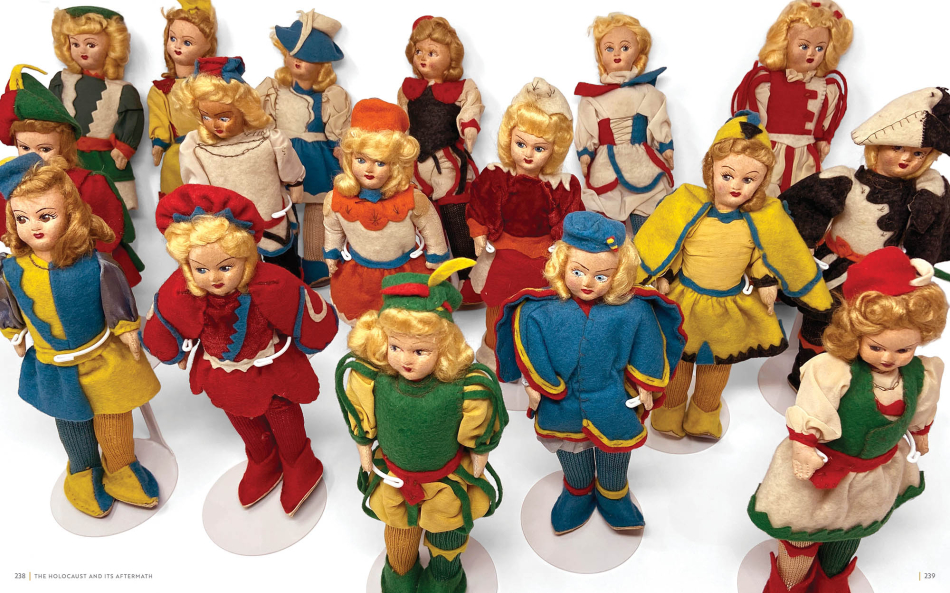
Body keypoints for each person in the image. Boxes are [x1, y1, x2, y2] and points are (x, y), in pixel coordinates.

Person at [748, 247, 946, 593]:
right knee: (801, 533)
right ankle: (789, 583)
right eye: (877, 347)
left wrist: (921, 434)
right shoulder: (834, 370)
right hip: (823, 468)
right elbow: (812, 408)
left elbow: (921, 409)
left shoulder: (921, 374)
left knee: (852, 528)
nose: (889, 358)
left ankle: (832, 579)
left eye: (904, 349)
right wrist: (804, 446)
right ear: (857, 334)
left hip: (873, 473)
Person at [141, 183, 339, 515]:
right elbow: (165, 317)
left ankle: (298, 460)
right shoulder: (181, 291)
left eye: (225, 267)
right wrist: (176, 350)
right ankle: (262, 457)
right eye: (201, 269)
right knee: (238, 412)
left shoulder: (272, 282)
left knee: (280, 410)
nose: (214, 278)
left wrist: (307, 340)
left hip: (269, 366)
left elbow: (304, 308)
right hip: (221, 370)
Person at [635, 111, 832, 439]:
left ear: (761, 182)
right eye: (727, 175)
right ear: (710, 170)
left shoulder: (760, 219)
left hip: (728, 306)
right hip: (685, 301)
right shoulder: (688, 205)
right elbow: (670, 243)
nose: (736, 186)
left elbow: (762, 255)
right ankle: (669, 409)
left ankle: (704, 413)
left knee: (717, 365)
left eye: (748, 179)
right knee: (678, 360)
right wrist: (663, 274)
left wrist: (766, 281)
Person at [495, 211, 686, 534]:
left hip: (611, 395)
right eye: (578, 272)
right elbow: (530, 349)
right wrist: (533, 384)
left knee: (616, 447)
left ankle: (614, 493)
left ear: (618, 274)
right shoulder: (538, 310)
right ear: (561, 265)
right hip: (562, 400)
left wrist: (646, 385)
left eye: (601, 276)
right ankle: (577, 489)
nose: (587, 283)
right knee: (570, 448)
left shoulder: (633, 309)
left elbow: (648, 344)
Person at [0, 154, 160, 517]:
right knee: (71, 420)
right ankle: (83, 470)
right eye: (22, 219)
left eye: (45, 216)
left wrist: (126, 329)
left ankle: (121, 466)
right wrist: (14, 331)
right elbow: (9, 304)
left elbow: (116, 299)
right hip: (54, 364)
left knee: (114, 413)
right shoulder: (12, 269)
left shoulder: (94, 264)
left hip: (103, 357)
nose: (33, 227)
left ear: (70, 213)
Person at [336, 258, 507, 592]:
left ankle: (445, 574)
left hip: (445, 481)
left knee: (448, 533)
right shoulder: (373, 379)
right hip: (396, 480)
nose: (405, 359)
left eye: (419, 351)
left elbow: (479, 434)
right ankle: (401, 570)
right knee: (399, 533)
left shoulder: (464, 388)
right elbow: (362, 421)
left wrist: (479, 457)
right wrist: (364, 451)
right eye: (395, 347)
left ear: (443, 347)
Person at [783, 86, 950, 389]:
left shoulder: (923, 192)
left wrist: (922, 260)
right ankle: (806, 380)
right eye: (896, 148)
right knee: (820, 323)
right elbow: (805, 208)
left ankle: (849, 386)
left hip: (881, 280)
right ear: (878, 146)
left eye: (918, 153)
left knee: (868, 329)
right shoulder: (844, 180)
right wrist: (805, 247)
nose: (906, 158)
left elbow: (929, 231)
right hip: (834, 271)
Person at [466, 77, 585, 367]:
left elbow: (572, 219)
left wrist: (564, 247)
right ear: (509, 138)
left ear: (555, 149)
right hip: (502, 254)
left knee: (538, 306)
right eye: (521, 143)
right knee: (496, 302)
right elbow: (478, 206)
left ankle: (532, 353)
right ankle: (495, 349)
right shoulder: (495, 176)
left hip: (542, 257)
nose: (528, 154)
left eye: (539, 148)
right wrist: (479, 234)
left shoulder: (563, 185)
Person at [0, 65, 143, 286]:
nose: (34, 156)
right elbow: (8, 229)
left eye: (45, 149)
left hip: (83, 269)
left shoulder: (89, 183)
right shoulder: (12, 183)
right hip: (37, 270)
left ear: (63, 146)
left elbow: (108, 230)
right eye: (24, 147)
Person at [175, 57, 306, 277]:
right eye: (206, 116)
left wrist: (296, 184)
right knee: (236, 268)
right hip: (228, 223)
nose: (214, 124)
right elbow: (199, 188)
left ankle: (290, 288)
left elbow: (288, 165)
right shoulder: (195, 146)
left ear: (243, 110)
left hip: (270, 213)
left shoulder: (268, 139)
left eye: (224, 117)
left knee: (283, 265)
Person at [323, 98, 449, 324]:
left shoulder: (413, 199)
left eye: (380, 163)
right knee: (363, 317)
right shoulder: (336, 198)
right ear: (349, 158)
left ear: (396, 165)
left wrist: (436, 256)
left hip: (405, 271)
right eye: (361, 160)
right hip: (359, 275)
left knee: (408, 318)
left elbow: (431, 227)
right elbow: (333, 228)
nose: (369, 169)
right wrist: (331, 253)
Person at [258, 9, 351, 287]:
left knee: (318, 211)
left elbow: (338, 131)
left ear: (321, 64)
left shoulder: (331, 96)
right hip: (282, 155)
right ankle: (284, 263)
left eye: (308, 57)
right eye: (293, 53)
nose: (298, 60)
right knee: (282, 209)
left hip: (317, 159)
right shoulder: (273, 91)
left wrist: (343, 151)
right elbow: (261, 124)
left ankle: (316, 263)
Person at [397, 16, 484, 303]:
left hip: (447, 161)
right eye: (419, 51)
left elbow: (470, 110)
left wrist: (469, 128)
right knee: (422, 215)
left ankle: (469, 276)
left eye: (432, 52)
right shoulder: (408, 90)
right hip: (416, 162)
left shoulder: (462, 88)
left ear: (450, 58)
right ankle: (433, 275)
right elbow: (401, 122)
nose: (423, 58)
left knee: (455, 213)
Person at [731, 0, 853, 195]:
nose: (812, 53)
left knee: (802, 194)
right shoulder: (764, 81)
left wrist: (824, 140)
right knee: (763, 192)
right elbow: (752, 119)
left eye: (820, 48)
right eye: (804, 46)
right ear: (785, 41)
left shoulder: (828, 87)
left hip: (805, 156)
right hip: (770, 150)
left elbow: (825, 122)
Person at [574, 12, 674, 234]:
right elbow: (586, 129)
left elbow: (658, 120)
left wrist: (666, 146)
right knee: (605, 218)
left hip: (642, 162)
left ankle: (646, 250)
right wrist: (585, 154)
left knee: (647, 212)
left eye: (625, 47)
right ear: (600, 55)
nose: (617, 53)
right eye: (609, 48)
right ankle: (608, 250)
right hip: (605, 165)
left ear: (638, 52)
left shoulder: (648, 92)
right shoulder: (592, 98)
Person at [50, 6, 144, 210]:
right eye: (75, 44)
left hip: (105, 161)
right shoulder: (62, 81)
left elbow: (132, 120)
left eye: (91, 44)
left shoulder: (122, 90)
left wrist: (124, 148)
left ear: (113, 46)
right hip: (68, 157)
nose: (82, 50)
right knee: (68, 206)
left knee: (107, 206)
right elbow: (51, 115)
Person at [148, 0, 217, 199]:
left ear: (206, 47)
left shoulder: (211, 85)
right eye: (173, 38)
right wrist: (159, 142)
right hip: (176, 154)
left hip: (208, 150)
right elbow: (159, 117)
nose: (177, 46)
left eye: (187, 42)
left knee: (208, 198)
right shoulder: (161, 90)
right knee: (175, 197)